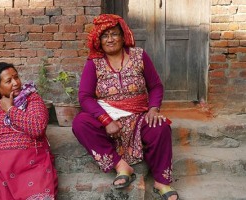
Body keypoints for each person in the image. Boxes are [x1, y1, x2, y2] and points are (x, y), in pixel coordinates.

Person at [72, 14, 179, 200]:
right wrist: (105, 120)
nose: (110, 39)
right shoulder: (94, 63)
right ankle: (121, 166)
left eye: (114, 34)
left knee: (160, 128)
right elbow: (85, 97)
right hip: (109, 115)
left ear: (123, 36)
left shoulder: (139, 55)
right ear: (99, 40)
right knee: (80, 123)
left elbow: (155, 86)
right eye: (105, 36)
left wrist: (153, 109)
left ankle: (162, 181)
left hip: (138, 115)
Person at [0, 62, 58, 200]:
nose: (16, 83)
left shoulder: (32, 98)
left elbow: (38, 128)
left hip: (29, 163)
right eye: (9, 81)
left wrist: (10, 110)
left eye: (16, 77)